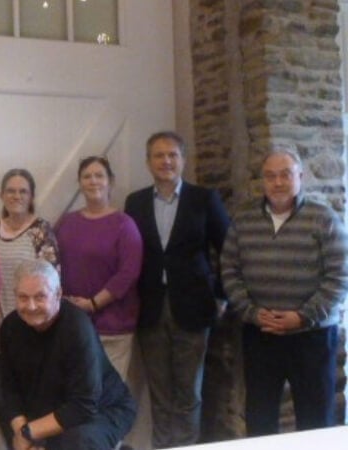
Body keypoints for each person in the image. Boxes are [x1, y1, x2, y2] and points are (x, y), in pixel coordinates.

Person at [220, 149, 348, 436]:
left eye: (285, 175)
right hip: (260, 334)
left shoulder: (324, 218)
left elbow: (339, 277)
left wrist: (303, 317)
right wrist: (253, 314)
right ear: (262, 181)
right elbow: (229, 270)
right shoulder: (243, 219)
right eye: (270, 176)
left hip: (312, 337)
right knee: (260, 420)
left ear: (300, 177)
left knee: (316, 422)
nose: (278, 182)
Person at [124, 131, 229, 448]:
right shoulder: (136, 202)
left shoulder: (204, 198)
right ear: (148, 162)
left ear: (183, 160)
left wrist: (222, 295)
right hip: (151, 308)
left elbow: (229, 249)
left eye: (172, 155)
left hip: (194, 307)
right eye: (159, 155)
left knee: (188, 392)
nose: (166, 161)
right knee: (160, 392)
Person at [0, 260, 135, 450]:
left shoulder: (77, 327)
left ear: (58, 294)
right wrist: (23, 434)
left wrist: (29, 432)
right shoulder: (10, 327)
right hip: (51, 406)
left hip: (102, 409)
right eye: (23, 297)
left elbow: (84, 404)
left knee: (77, 440)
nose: (31, 306)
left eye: (40, 297)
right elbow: (8, 389)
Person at [0, 168, 59, 448]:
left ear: (32, 196)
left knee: (35, 403)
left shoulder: (41, 231)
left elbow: (51, 284)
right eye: (11, 190)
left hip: (32, 332)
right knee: (3, 402)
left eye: (23, 191)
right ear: (2, 195)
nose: (16, 196)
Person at [55, 156, 142, 379]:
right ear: (80, 183)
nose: (93, 181)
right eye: (87, 176)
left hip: (112, 327)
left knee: (108, 396)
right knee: (76, 395)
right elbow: (52, 266)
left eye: (99, 175)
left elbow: (128, 272)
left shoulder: (124, 224)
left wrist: (93, 304)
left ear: (110, 181)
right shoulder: (66, 223)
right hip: (73, 324)